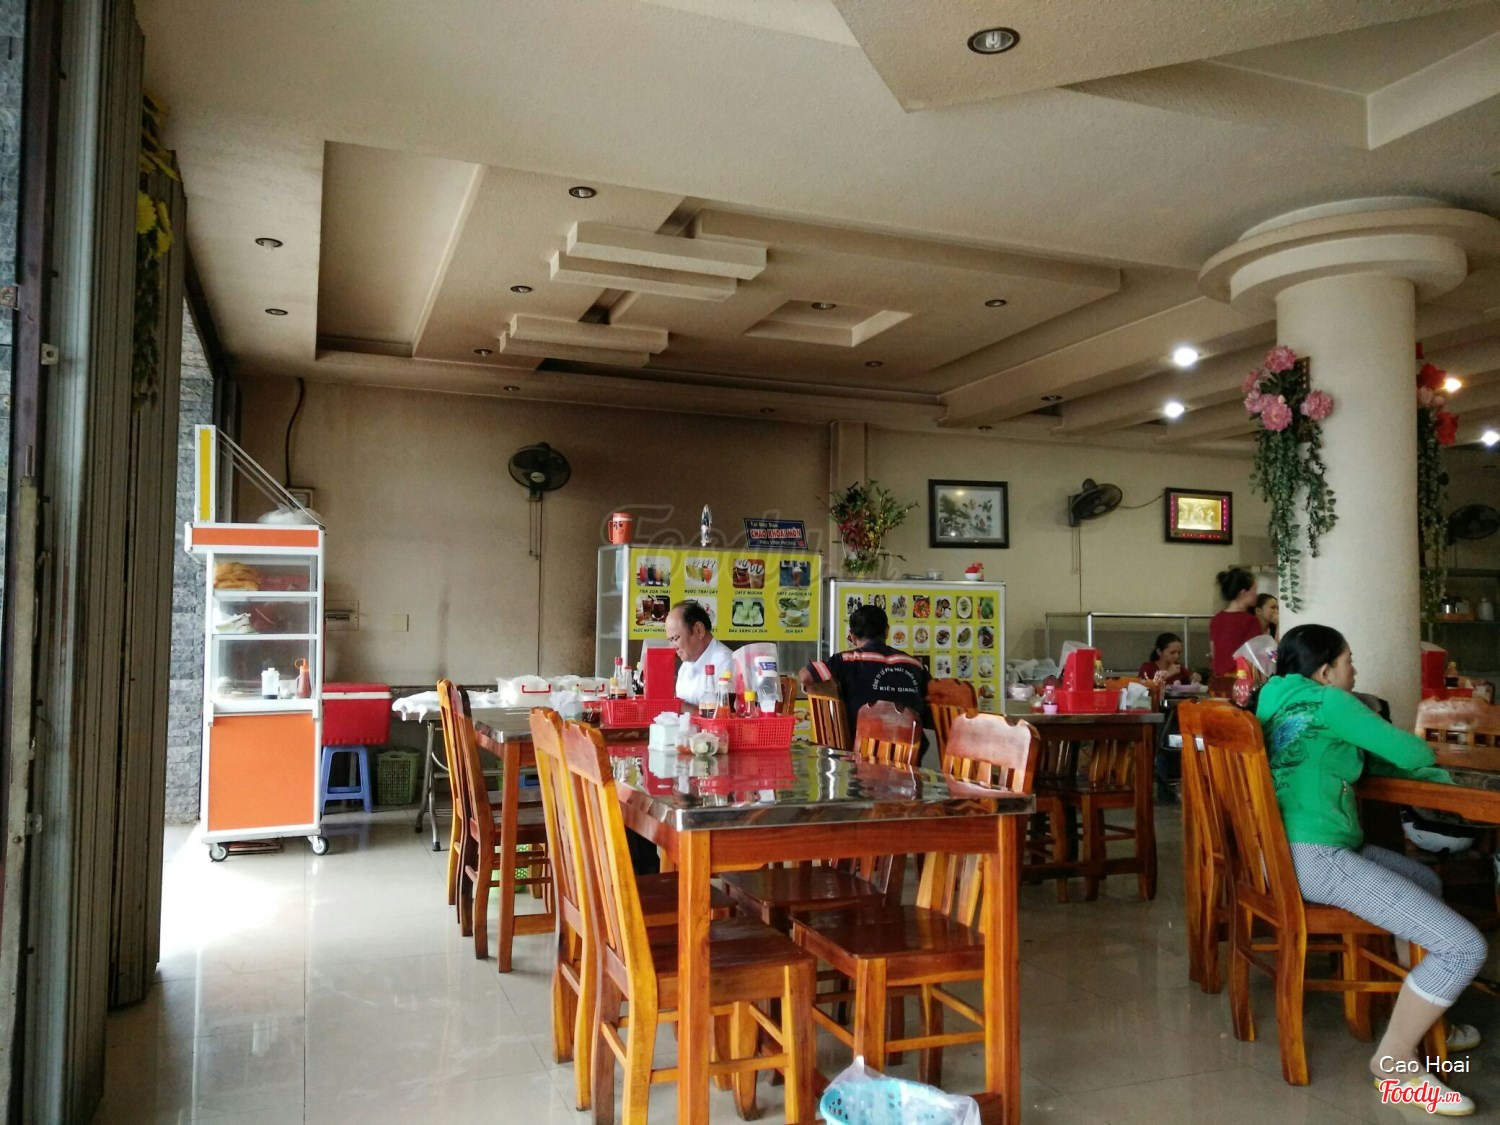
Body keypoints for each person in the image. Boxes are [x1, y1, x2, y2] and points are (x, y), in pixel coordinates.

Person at [1256, 624, 1485, 1114]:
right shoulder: (1332, 702)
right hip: (1317, 858)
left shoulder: (1273, 699)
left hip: (1279, 856)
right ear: (1325, 672)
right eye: (1348, 662)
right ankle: (1393, 1063)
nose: (1355, 671)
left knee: (1424, 880)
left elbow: (1345, 757)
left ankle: (1424, 1016)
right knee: (1464, 947)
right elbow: (1413, 751)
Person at [799, 605, 929, 741]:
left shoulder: (845, 660)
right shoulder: (915, 664)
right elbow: (931, 703)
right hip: (910, 750)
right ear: (886, 631)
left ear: (852, 636)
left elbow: (806, 676)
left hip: (861, 748)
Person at [665, 600, 734, 708]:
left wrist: (678, 706)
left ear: (699, 630)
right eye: (670, 640)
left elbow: (720, 714)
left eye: (675, 638)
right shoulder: (686, 664)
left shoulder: (725, 662)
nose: (674, 646)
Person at [1209, 567, 1263, 677]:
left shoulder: (1216, 619)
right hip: (1242, 678)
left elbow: (1214, 653)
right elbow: (1255, 655)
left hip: (1219, 679)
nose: (1256, 594)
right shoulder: (1250, 621)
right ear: (1243, 593)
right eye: (1254, 590)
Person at [1137, 632, 1202, 687]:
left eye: (1179, 652)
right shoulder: (1147, 667)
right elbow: (1143, 688)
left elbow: (1189, 681)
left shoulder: (1179, 668)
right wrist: (1168, 674)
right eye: (1172, 652)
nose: (1177, 656)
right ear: (1159, 652)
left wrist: (1193, 678)